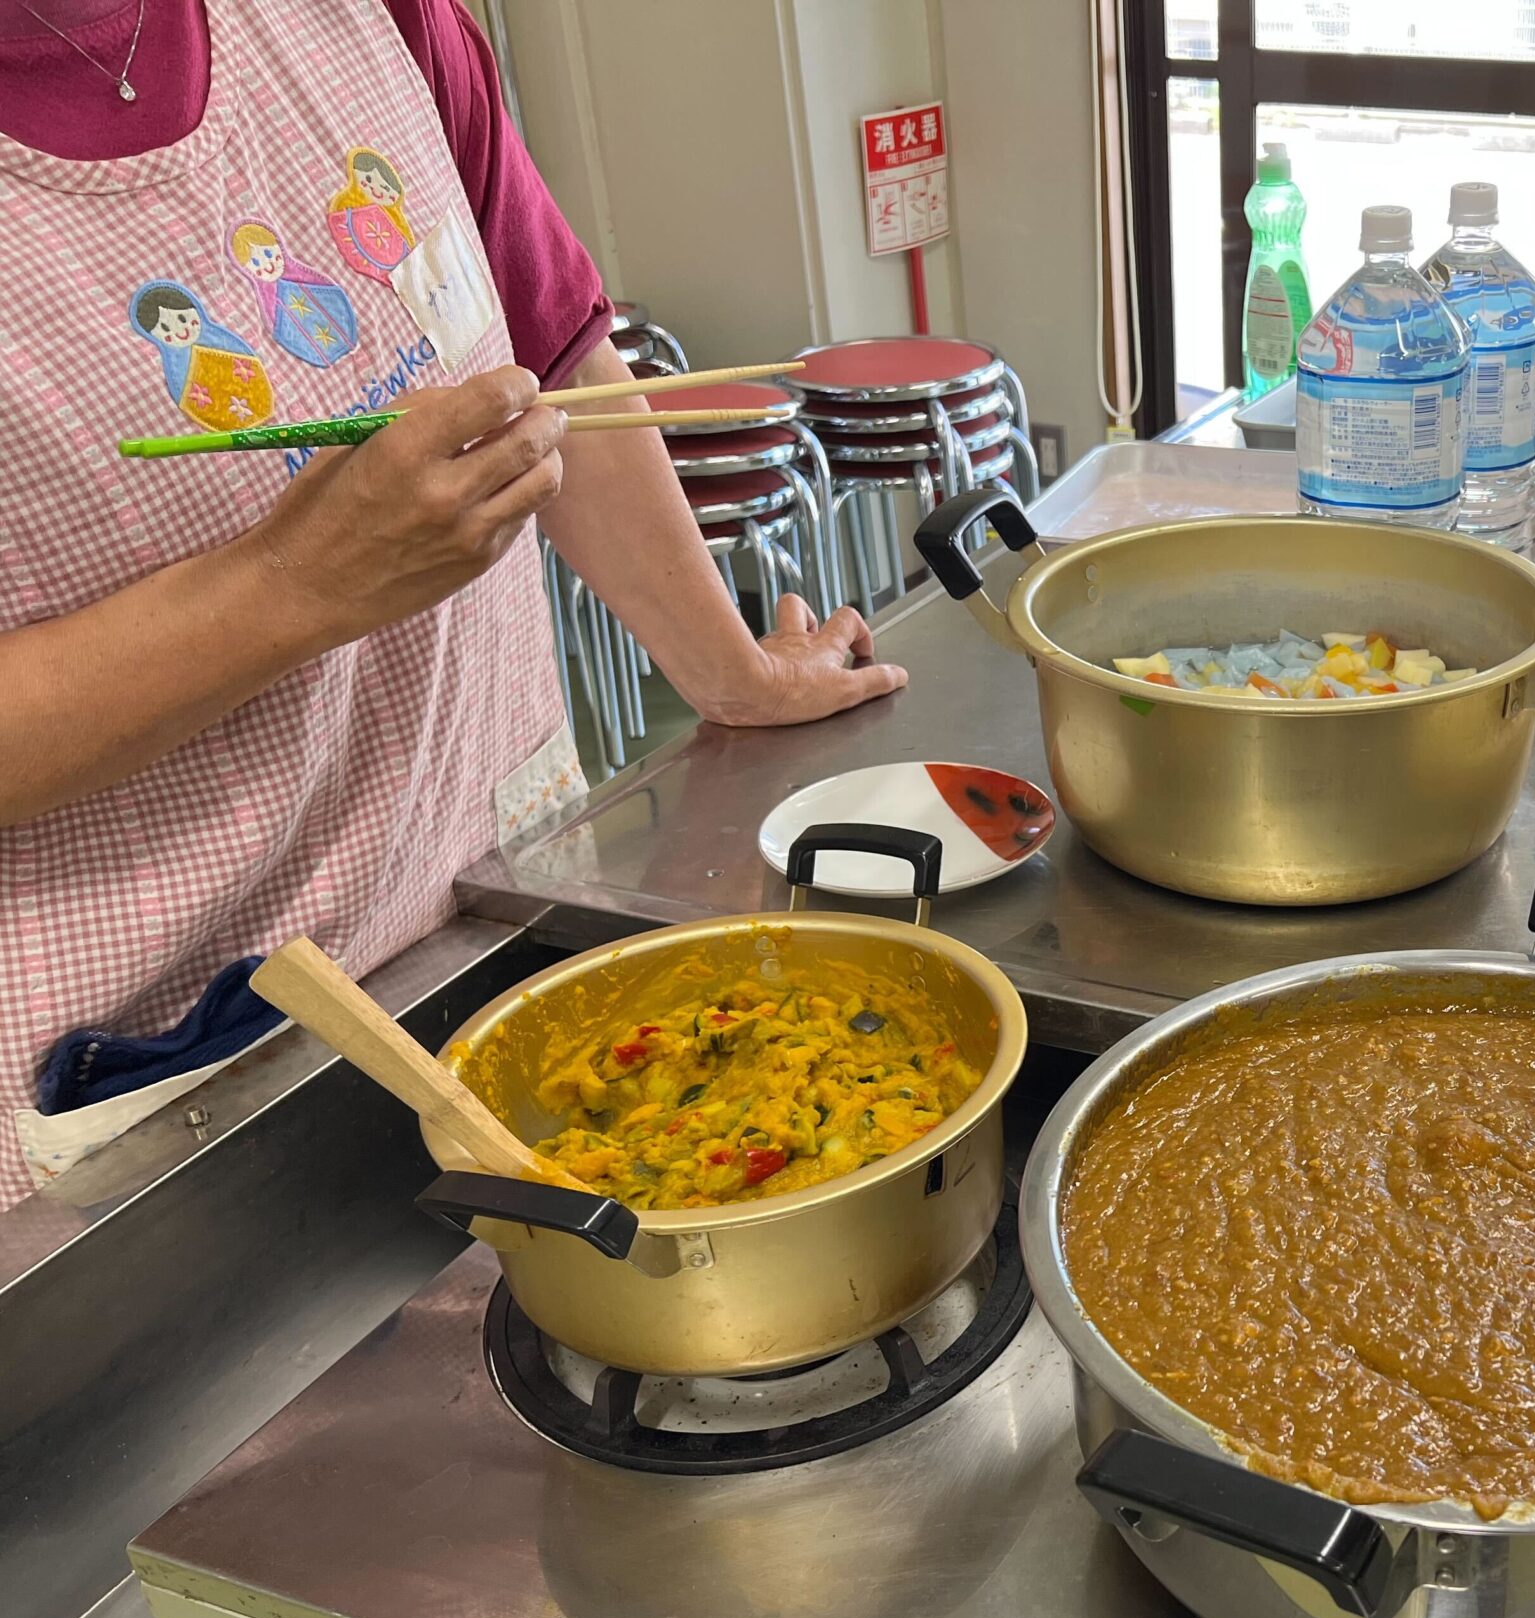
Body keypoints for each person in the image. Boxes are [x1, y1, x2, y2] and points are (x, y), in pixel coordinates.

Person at [0, 0, 907, 1219]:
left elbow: (556, 368)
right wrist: (289, 589)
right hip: (176, 1076)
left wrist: (733, 672)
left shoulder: (373, 15)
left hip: (500, 909)